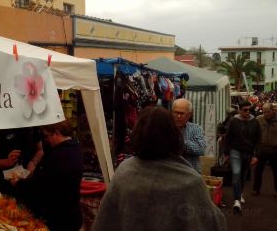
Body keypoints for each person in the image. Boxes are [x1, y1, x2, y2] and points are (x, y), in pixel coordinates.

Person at [93, 107, 227, 231]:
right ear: (174, 136)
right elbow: (214, 223)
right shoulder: (191, 183)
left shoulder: (124, 172)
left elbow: (105, 222)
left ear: (137, 134)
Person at [10, 120, 83, 231]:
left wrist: (18, 183)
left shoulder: (58, 155)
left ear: (57, 133)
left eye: (47, 136)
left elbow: (40, 187)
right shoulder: (75, 147)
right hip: (70, 215)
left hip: (58, 219)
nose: (46, 140)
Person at [0, 127, 43, 194]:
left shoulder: (32, 125)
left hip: (26, 181)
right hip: (1, 183)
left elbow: (40, 150)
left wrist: (33, 162)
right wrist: (6, 162)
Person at [224, 100, 261, 213]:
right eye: (245, 110)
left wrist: (256, 155)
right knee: (236, 173)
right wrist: (226, 153)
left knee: (243, 175)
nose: (247, 112)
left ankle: (240, 193)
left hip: (248, 152)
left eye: (249, 110)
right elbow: (228, 137)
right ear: (240, 110)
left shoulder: (255, 122)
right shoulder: (234, 121)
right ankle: (236, 200)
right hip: (236, 151)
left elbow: (258, 140)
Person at [172, 98, 206, 173]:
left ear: (189, 114)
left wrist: (180, 141)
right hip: (171, 173)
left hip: (191, 173)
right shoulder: (166, 127)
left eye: (181, 113)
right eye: (176, 112)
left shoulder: (196, 129)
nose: (178, 116)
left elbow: (200, 149)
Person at [253, 103, 277, 197]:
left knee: (276, 172)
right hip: (261, 150)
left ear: (273, 111)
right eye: (264, 112)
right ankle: (256, 189)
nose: (266, 114)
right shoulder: (259, 119)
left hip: (275, 151)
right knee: (258, 171)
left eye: (268, 112)